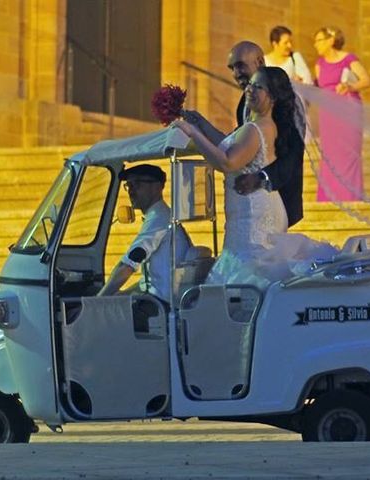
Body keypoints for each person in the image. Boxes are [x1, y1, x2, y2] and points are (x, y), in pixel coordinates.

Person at [176, 67, 304, 287]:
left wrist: (193, 134)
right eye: (250, 85)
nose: (249, 90)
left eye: (258, 87)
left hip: (251, 215)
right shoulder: (257, 126)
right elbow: (229, 146)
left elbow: (227, 162)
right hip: (249, 211)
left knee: (246, 273)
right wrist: (202, 124)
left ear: (272, 97)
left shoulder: (256, 129)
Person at [182, 41, 305, 228]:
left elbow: (294, 151)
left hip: (274, 197)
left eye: (240, 65)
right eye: (232, 68)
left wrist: (262, 178)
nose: (235, 73)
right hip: (248, 203)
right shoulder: (245, 103)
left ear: (260, 61)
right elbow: (238, 144)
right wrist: (200, 123)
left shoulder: (285, 98)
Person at [97, 164, 192, 303]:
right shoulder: (161, 215)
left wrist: (96, 301)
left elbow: (128, 265)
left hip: (160, 305)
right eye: (129, 185)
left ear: (157, 187)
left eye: (137, 184)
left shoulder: (159, 218)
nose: (131, 191)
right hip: (159, 299)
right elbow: (147, 281)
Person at [313, 26, 370, 202]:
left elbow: (366, 80)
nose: (316, 45)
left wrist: (349, 87)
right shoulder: (318, 64)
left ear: (330, 41)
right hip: (328, 114)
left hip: (348, 111)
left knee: (348, 154)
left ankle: (350, 195)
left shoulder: (349, 59)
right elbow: (319, 87)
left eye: (319, 40)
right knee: (330, 155)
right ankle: (329, 196)